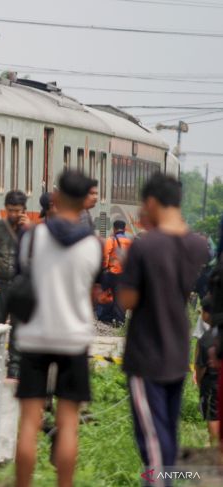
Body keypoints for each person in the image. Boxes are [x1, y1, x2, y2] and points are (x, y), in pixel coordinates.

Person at [13, 170, 101, 487]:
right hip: (73, 339)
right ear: (86, 202)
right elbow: (91, 287)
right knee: (68, 424)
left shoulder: (32, 237)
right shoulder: (93, 245)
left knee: (28, 422)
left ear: (57, 197)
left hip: (34, 335)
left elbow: (21, 276)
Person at [118, 173, 208, 477]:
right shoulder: (198, 245)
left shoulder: (145, 247)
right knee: (167, 433)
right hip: (177, 350)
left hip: (147, 354)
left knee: (152, 441)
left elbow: (128, 300)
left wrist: (127, 264)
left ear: (152, 202)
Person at [0, 190, 29, 379]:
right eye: (10, 210)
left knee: (19, 327)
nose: (13, 215)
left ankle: (15, 367)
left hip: (20, 285)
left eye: (17, 211)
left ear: (24, 210)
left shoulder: (32, 230)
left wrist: (30, 230)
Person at [195, 297, 219, 445]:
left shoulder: (207, 338)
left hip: (213, 384)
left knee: (213, 415)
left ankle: (215, 445)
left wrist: (198, 380)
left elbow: (201, 367)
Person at [98, 220, 132, 325]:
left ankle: (106, 318)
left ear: (114, 228)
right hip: (125, 274)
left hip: (112, 272)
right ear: (124, 229)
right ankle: (120, 320)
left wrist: (104, 269)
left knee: (107, 294)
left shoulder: (111, 240)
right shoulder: (130, 241)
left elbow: (105, 255)